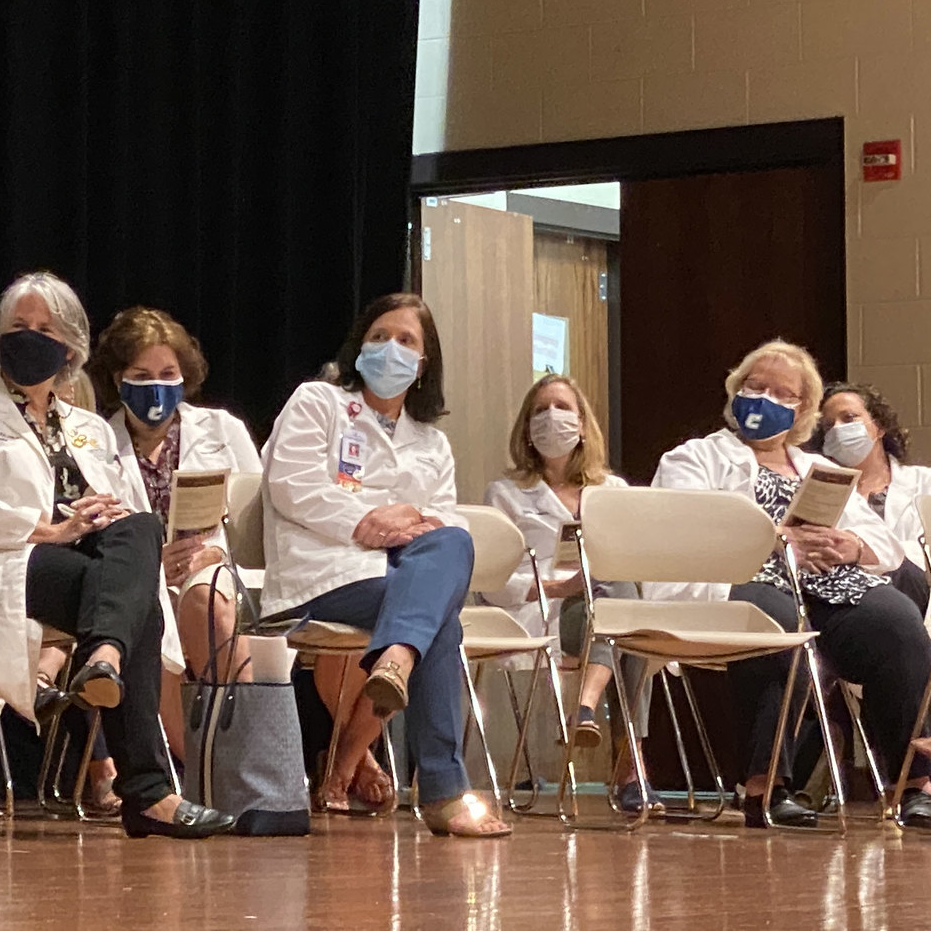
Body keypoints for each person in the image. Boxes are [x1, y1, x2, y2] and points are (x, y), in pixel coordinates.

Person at [0, 271, 234, 839]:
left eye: (46, 328)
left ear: (69, 348)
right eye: (19, 327)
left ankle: (104, 657)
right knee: (133, 605)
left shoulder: (87, 426)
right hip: (0, 562)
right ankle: (151, 792)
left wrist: (102, 523)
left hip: (85, 567)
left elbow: (127, 512)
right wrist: (47, 528)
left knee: (135, 529)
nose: (31, 337)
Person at [652, 341, 931, 828]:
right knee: (780, 620)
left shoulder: (818, 470)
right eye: (755, 387)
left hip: (827, 585)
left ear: (802, 410)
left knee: (897, 623)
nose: (765, 398)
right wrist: (775, 538)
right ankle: (765, 786)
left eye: (783, 393)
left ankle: (912, 783)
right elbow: (685, 530)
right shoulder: (694, 459)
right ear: (736, 391)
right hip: (745, 581)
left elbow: (885, 546)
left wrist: (850, 546)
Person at [260, 292, 509, 837]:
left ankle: (395, 654)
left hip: (398, 579)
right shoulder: (317, 402)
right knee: (440, 620)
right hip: (323, 575)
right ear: (358, 347)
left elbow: (440, 523)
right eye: (379, 337)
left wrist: (411, 517)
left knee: (456, 541)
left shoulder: (434, 444)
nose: (390, 349)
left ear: (423, 366)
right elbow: (291, 486)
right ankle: (444, 792)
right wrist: (371, 520)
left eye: (407, 341)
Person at [89, 306, 262, 804]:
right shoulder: (96, 441)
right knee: (146, 615)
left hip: (211, 568)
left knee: (208, 603)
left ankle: (241, 760)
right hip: (136, 577)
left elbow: (251, 521)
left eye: (168, 375)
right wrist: (149, 563)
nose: (157, 388)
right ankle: (201, 772)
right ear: (116, 379)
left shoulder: (222, 430)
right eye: (141, 376)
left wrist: (213, 553)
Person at [480, 374, 644, 808]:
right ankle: (629, 767)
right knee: (628, 625)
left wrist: (590, 583)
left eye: (562, 407)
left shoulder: (613, 492)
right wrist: (559, 586)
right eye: (540, 410)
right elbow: (494, 583)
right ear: (526, 429)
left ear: (583, 424)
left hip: (601, 612)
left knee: (621, 605)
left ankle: (588, 712)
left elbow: (632, 560)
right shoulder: (507, 494)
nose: (552, 418)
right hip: (545, 612)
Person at [814, 383, 931, 615]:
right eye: (828, 425)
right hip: (850, 608)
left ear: (879, 427)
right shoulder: (819, 492)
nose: (837, 429)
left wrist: (864, 551)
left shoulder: (925, 483)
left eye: (849, 418)